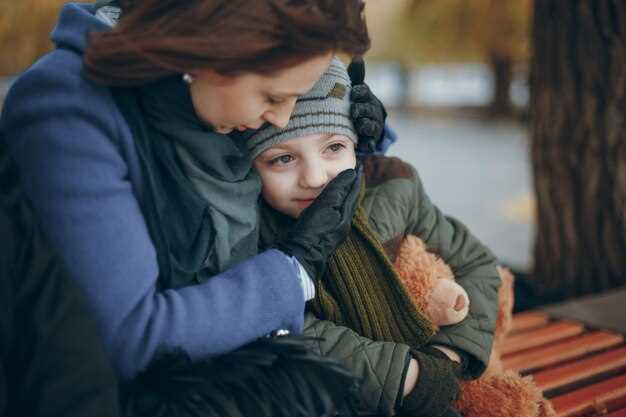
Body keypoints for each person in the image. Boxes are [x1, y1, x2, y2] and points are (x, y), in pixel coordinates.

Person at [0, 0, 387, 381]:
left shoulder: (208, 97)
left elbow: (292, 164)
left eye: (296, 98)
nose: (282, 118)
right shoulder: (68, 112)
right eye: (273, 97)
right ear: (211, 50)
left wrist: (360, 137)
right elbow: (133, 336)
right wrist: (294, 268)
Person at [249, 57, 502, 417]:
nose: (316, 177)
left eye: (334, 147)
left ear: (357, 145)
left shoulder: (393, 189)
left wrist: (448, 356)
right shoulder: (251, 230)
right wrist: (405, 375)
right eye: (283, 159)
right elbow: (278, 326)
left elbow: (477, 263)